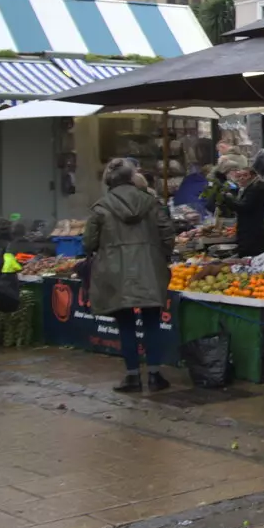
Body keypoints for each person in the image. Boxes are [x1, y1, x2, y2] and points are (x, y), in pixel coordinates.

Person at [85, 158, 175, 393]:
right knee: (152, 322)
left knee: (125, 323)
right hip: (149, 266)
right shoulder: (151, 203)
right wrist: (162, 255)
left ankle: (132, 376)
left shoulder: (101, 207)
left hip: (114, 271)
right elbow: (167, 233)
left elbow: (89, 243)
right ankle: (155, 375)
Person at [219, 153, 264, 257]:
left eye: (245, 175)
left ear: (253, 176)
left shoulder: (256, 188)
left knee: (252, 258)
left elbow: (243, 207)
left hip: (252, 234)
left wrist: (228, 199)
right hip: (250, 232)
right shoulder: (248, 188)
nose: (242, 178)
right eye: (240, 176)